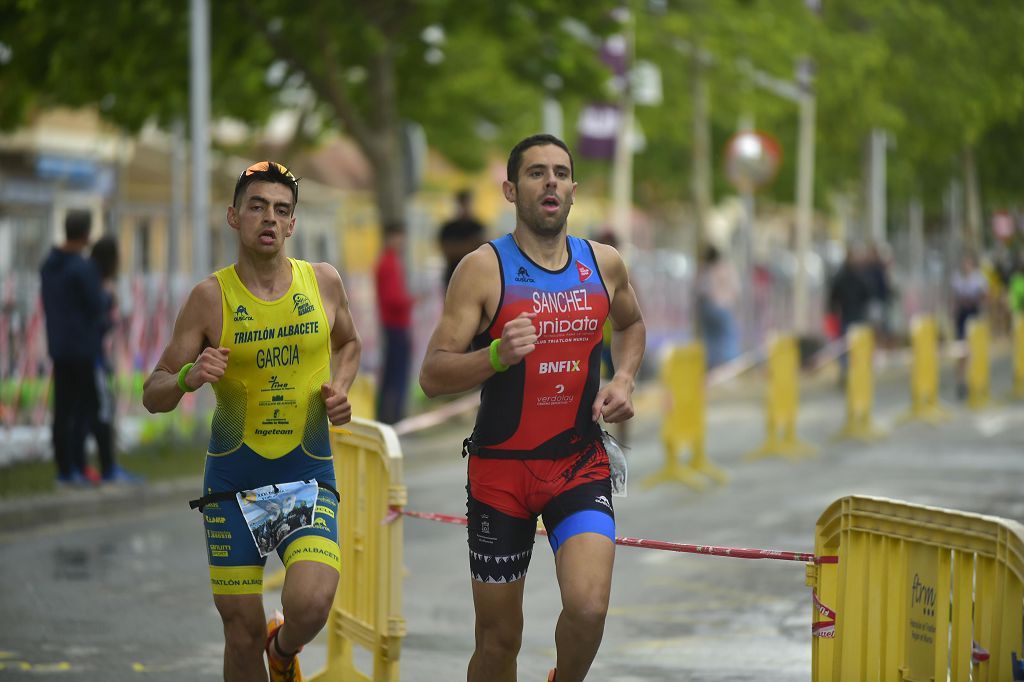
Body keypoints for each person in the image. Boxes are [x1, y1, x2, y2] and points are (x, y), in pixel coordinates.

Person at [419, 134, 646, 682]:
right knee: (498, 642)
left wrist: (624, 378)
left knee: (589, 608)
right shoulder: (482, 268)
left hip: (578, 462)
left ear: (573, 190)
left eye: (561, 173)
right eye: (537, 173)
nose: (551, 182)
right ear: (510, 189)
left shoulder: (603, 264)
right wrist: (495, 354)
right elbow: (432, 374)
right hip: (501, 474)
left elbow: (632, 324)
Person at [142, 161, 362, 682]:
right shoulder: (209, 298)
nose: (269, 217)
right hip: (233, 485)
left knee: (310, 602)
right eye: (257, 206)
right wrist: (189, 377)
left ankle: (283, 648)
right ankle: (262, 647)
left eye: (281, 210)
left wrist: (342, 388)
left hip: (304, 479)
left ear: (292, 225)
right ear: (233, 217)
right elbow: (154, 392)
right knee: (240, 632)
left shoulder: (323, 282)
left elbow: (349, 342)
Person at [40, 210, 107, 485]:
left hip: (58, 346)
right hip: (83, 348)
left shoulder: (48, 265)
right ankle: (79, 467)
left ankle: (63, 470)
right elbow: (97, 304)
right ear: (86, 235)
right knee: (86, 409)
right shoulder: (83, 267)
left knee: (62, 410)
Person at [88, 235, 141, 483]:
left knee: (99, 411)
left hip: (96, 358)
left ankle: (103, 466)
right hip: (92, 360)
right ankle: (106, 468)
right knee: (101, 412)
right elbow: (98, 323)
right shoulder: (97, 286)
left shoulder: (97, 283)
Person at [374, 222, 414, 424]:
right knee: (397, 375)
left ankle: (385, 417)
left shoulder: (389, 262)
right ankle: (396, 420)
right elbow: (393, 300)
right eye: (398, 237)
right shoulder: (389, 264)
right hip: (396, 325)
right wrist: (413, 300)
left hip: (392, 325)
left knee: (390, 374)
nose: (401, 242)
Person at [827, 243, 873, 385]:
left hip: (855, 315)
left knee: (852, 348)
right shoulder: (850, 276)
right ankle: (848, 373)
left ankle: (853, 373)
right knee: (847, 347)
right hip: (849, 315)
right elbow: (834, 297)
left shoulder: (857, 276)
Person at [696, 244, 741, 368]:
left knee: (710, 340)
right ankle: (730, 365)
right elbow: (736, 290)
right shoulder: (728, 268)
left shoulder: (705, 269)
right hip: (724, 308)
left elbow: (700, 290)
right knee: (728, 338)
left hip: (708, 308)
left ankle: (712, 366)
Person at [951, 252, 987, 399]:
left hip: (973, 314)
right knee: (962, 350)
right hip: (962, 316)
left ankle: (975, 381)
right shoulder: (957, 279)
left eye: (969, 263)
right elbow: (954, 298)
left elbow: (984, 296)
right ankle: (961, 382)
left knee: (973, 350)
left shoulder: (979, 279)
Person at [437, 188, 486, 291]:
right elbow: (447, 250)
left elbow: (484, 251)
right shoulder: (448, 227)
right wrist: (470, 246)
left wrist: (457, 246)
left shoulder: (479, 226)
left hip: (475, 277)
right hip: (453, 275)